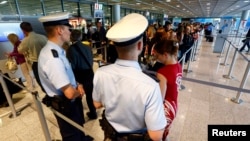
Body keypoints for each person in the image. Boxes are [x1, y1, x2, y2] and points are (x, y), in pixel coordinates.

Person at [93, 13, 166, 141]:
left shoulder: (101, 72)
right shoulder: (150, 86)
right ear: (140, 46)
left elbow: (97, 104)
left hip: (109, 136)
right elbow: (156, 135)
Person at [38, 12, 93, 141]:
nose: (70, 32)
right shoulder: (53, 58)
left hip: (70, 102)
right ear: (59, 30)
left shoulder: (58, 51)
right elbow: (68, 93)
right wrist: (78, 92)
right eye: (69, 29)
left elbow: (67, 75)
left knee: (78, 127)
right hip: (66, 104)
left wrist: (77, 84)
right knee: (71, 134)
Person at [154, 39, 182, 141]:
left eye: (157, 56)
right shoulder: (178, 65)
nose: (156, 58)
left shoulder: (163, 72)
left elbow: (160, 98)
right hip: (174, 106)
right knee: (165, 133)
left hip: (166, 109)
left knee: (157, 135)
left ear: (165, 55)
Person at [67, 29, 97, 120]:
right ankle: (93, 113)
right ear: (80, 37)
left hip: (78, 74)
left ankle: (80, 117)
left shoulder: (70, 49)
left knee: (78, 96)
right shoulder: (87, 47)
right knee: (90, 94)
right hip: (89, 72)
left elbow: (71, 65)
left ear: (71, 37)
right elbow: (91, 60)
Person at [18, 22, 47, 92]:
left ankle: (49, 96)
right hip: (47, 61)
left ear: (23, 30)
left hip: (37, 63)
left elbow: (20, 51)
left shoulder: (26, 40)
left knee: (41, 81)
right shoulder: (42, 37)